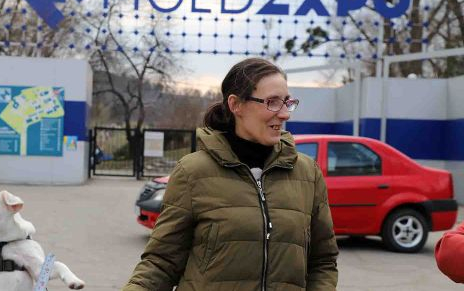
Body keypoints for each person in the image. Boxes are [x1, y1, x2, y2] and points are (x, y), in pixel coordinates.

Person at [123, 58, 338, 291]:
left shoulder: (307, 173)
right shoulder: (193, 172)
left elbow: (322, 261)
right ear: (236, 105)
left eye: (287, 102)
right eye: (273, 102)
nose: (285, 113)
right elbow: (161, 263)